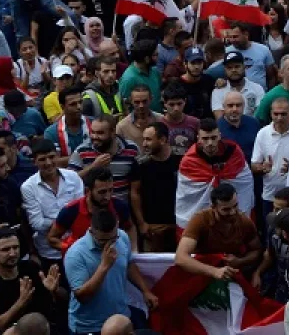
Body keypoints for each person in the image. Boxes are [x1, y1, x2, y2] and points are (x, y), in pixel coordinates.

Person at [63, 210, 156, 335]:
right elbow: (83, 296)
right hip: (90, 327)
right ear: (91, 231)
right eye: (102, 240)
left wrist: (145, 290)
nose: (109, 243)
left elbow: (128, 265)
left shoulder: (122, 237)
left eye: (113, 239)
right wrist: (104, 266)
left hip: (120, 320)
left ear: (117, 225)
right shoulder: (75, 254)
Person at [0, 230, 62, 335]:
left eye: (15, 247)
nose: (12, 253)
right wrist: (21, 302)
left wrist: (53, 291)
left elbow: (52, 304)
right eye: (5, 250)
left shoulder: (31, 268)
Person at [176, 183, 262, 280]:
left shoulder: (244, 222)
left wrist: (240, 261)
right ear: (213, 207)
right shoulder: (200, 220)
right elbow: (180, 257)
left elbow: (256, 250)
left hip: (232, 274)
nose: (233, 212)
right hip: (202, 274)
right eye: (226, 210)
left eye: (235, 206)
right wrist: (214, 271)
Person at [20, 139, 83, 266]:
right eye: (42, 159)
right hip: (49, 252)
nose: (48, 163)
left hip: (77, 246)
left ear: (58, 156)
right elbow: (37, 223)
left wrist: (55, 223)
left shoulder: (73, 177)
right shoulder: (28, 187)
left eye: (51, 157)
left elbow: (81, 211)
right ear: (34, 162)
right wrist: (67, 221)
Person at [252, 97, 289, 213]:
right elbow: (254, 165)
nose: (279, 118)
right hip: (270, 195)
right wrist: (263, 168)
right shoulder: (263, 134)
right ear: (271, 113)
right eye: (276, 114)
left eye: (283, 114)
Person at [129, 121, 179, 253]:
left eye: (148, 140)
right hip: (152, 226)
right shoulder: (140, 164)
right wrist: (141, 223)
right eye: (143, 139)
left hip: (178, 223)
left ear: (162, 140)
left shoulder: (180, 160)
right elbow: (135, 193)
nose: (144, 144)